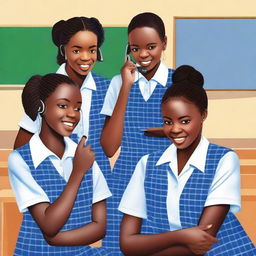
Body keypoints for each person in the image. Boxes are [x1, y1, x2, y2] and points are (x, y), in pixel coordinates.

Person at [118, 65, 256, 255]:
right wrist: (182, 236)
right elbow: (127, 244)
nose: (175, 129)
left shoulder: (223, 160)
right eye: (167, 121)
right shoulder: (147, 164)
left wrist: (148, 246)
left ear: (203, 115)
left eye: (184, 121)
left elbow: (202, 242)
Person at [8, 74, 112, 255]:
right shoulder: (21, 159)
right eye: (63, 106)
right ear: (41, 107)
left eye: (77, 108)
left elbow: (100, 226)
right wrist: (78, 171)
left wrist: (58, 240)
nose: (72, 114)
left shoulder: (84, 154)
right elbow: (49, 224)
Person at [100, 12, 174, 254]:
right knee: (117, 247)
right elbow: (110, 147)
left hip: (167, 178)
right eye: (135, 48)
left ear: (164, 42)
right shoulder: (118, 83)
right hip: (123, 178)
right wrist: (125, 87)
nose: (143, 55)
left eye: (151, 46)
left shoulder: (179, 83)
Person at [14, 16, 111, 181]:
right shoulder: (46, 87)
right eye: (76, 50)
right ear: (63, 50)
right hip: (57, 181)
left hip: (99, 181)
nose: (86, 57)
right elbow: (21, 148)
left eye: (92, 50)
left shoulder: (107, 88)